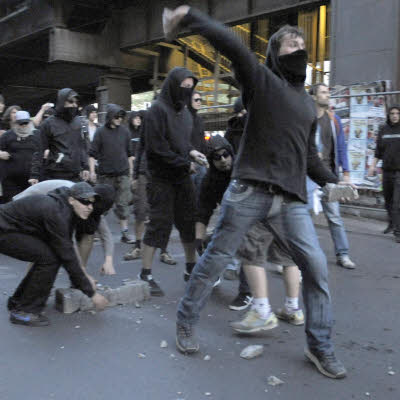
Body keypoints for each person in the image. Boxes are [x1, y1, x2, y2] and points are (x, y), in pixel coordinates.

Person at [165, 6, 351, 379]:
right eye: (289, 44)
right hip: (249, 190)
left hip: (291, 200)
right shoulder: (261, 80)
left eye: (302, 44)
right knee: (216, 259)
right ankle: (185, 322)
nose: (298, 48)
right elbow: (232, 45)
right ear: (275, 54)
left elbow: (308, 155)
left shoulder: (306, 104)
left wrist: (334, 180)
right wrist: (190, 17)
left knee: (315, 268)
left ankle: (320, 347)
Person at [138, 66, 208, 297]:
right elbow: (156, 148)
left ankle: (190, 269)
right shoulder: (157, 110)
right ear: (172, 85)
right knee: (159, 224)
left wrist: (192, 153)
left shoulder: (186, 113)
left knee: (188, 222)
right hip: (160, 178)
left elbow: (182, 143)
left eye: (191, 88)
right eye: (184, 87)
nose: (187, 92)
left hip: (181, 176)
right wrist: (184, 162)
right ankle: (145, 274)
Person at [0, 182, 108, 326]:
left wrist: (83, 277)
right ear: (71, 200)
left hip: (11, 228)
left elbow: (67, 247)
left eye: (91, 203)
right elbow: (67, 255)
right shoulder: (57, 213)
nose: (89, 207)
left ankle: (19, 302)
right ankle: (25, 311)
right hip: (4, 230)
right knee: (49, 259)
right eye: (84, 202)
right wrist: (92, 294)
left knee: (49, 256)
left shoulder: (64, 208)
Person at [14, 180, 117, 276]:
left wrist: (108, 261)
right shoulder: (74, 199)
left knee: (88, 233)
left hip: (48, 208)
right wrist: (82, 273)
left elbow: (105, 234)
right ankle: (29, 283)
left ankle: (79, 278)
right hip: (27, 206)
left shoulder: (89, 200)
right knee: (45, 248)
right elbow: (69, 240)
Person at [309, 83, 356, 269]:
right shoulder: (306, 118)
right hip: (308, 176)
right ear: (313, 97)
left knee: (335, 217)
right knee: (302, 217)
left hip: (329, 176)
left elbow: (342, 148)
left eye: (328, 92)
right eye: (323, 92)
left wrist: (346, 174)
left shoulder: (333, 119)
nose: (327, 95)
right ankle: (291, 258)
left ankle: (343, 254)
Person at [124, 110, 177, 265]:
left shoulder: (167, 132)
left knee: (164, 214)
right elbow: (139, 153)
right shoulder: (145, 134)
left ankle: (164, 250)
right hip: (143, 174)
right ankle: (138, 247)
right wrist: (134, 177)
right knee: (140, 211)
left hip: (162, 176)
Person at [89, 104, 135, 244]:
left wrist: (131, 172)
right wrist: (92, 172)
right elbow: (92, 154)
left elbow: (130, 154)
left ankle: (125, 233)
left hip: (123, 174)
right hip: (105, 175)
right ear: (110, 116)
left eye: (121, 116)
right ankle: (94, 231)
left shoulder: (125, 131)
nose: (119, 119)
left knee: (123, 204)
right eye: (116, 116)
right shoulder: (100, 132)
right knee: (102, 205)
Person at [36, 88, 89, 183]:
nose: (74, 105)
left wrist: (86, 166)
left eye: (76, 102)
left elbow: (82, 146)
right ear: (62, 102)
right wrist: (34, 174)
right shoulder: (48, 123)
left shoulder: (78, 122)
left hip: (75, 174)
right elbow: (39, 150)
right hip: (55, 174)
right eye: (71, 101)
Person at [369, 105, 400, 242]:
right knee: (387, 201)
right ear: (389, 115)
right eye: (392, 113)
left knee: (397, 203)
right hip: (386, 171)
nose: (394, 116)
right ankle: (392, 224)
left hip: (399, 171)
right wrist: (372, 166)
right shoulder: (383, 130)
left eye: (397, 113)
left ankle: (398, 232)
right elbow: (378, 151)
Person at [0, 111, 41, 202]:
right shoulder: (7, 135)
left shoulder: (38, 135)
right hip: (11, 181)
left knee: (30, 205)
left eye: (26, 123)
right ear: (15, 123)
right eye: (21, 123)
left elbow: (44, 151)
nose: (23, 125)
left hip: (32, 179)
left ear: (30, 122)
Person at [189, 91, 208, 193]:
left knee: (201, 193)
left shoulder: (200, 119)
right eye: (196, 100)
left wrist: (206, 158)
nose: (199, 102)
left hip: (201, 162)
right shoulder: (183, 118)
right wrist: (188, 161)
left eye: (200, 100)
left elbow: (202, 140)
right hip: (188, 163)